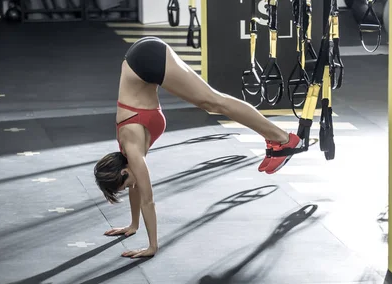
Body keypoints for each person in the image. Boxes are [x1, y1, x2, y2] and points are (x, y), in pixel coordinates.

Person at [94, 36, 302, 258]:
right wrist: (133, 225)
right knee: (211, 103)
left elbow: (147, 199)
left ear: (124, 170)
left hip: (146, 59)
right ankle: (275, 138)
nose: (129, 189)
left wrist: (152, 247)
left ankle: (282, 139)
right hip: (141, 62)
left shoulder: (133, 150)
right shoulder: (129, 155)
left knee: (213, 102)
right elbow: (136, 188)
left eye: (124, 186)